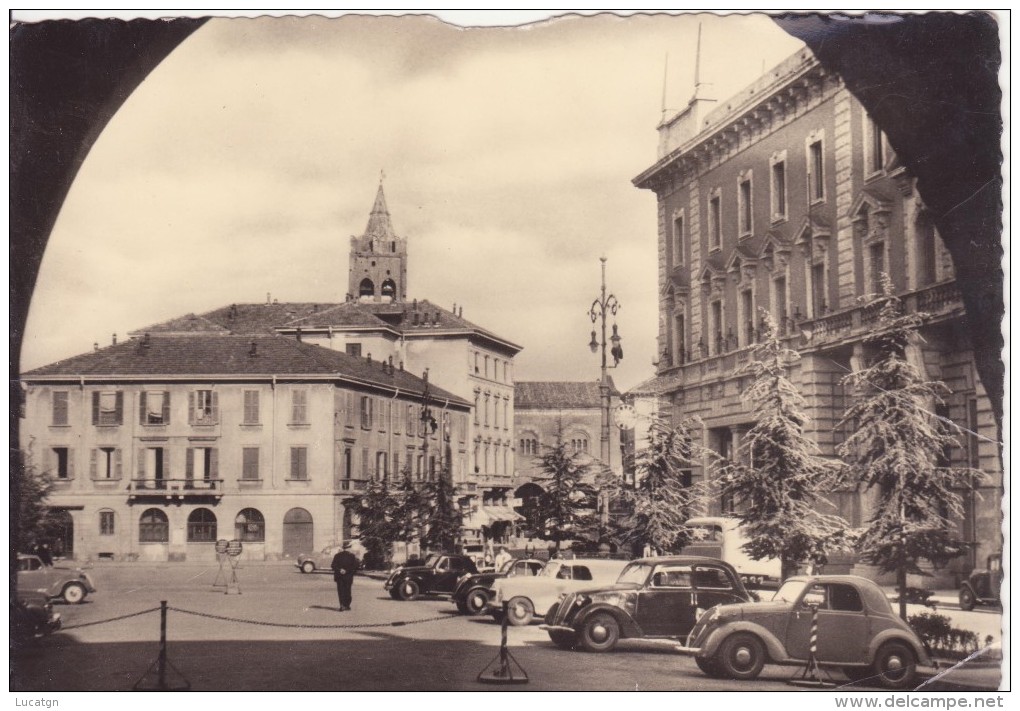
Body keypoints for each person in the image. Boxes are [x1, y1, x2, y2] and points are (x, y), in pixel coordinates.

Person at [331, 541, 359, 612]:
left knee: (340, 591)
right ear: (349, 548)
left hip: (339, 576)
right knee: (347, 591)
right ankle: (347, 605)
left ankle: (342, 605)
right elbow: (355, 567)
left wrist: (340, 570)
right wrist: (347, 571)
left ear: (343, 548)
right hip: (348, 577)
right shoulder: (352, 556)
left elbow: (333, 565)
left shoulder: (337, 555)